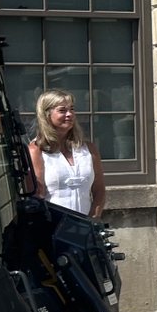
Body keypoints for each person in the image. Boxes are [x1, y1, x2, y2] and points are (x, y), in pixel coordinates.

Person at [28, 89, 106, 218]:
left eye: (72, 109)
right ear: (47, 114)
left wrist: (93, 219)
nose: (69, 114)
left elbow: (99, 190)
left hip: (85, 226)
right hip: (52, 228)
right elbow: (37, 196)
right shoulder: (36, 150)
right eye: (62, 110)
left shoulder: (89, 148)